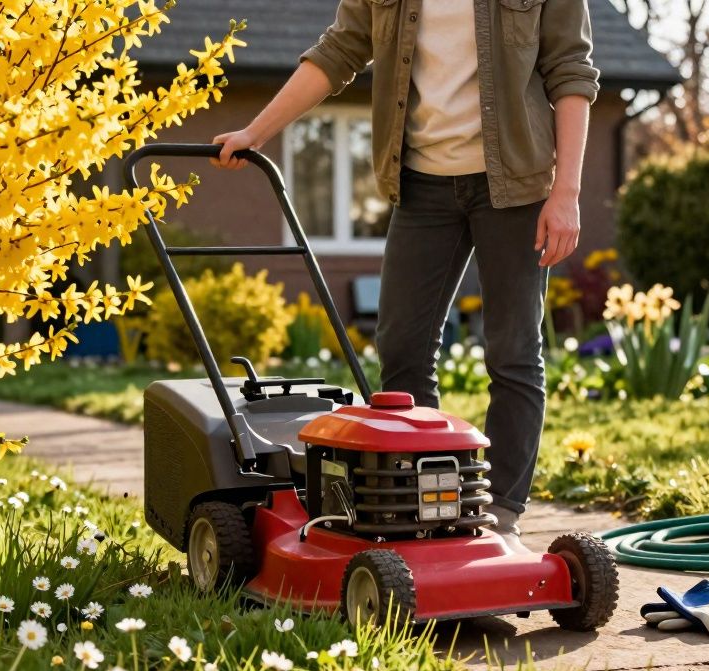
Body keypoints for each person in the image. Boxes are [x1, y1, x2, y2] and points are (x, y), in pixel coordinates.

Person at [212, 0, 599, 543]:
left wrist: (568, 192)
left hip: (516, 185)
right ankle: (428, 500)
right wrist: (257, 131)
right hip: (421, 186)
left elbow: (571, 71)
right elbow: (339, 50)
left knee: (513, 353)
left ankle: (501, 513)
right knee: (402, 351)